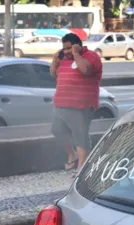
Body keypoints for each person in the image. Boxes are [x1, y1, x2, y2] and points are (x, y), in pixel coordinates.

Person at [50, 33, 103, 177]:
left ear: (77, 45)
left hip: (81, 105)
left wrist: (76, 54)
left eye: (69, 48)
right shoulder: (63, 59)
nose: (66, 52)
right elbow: (55, 75)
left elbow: (86, 70)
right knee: (57, 130)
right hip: (61, 103)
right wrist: (55, 61)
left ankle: (81, 168)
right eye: (64, 49)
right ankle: (71, 155)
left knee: (80, 136)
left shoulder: (91, 56)